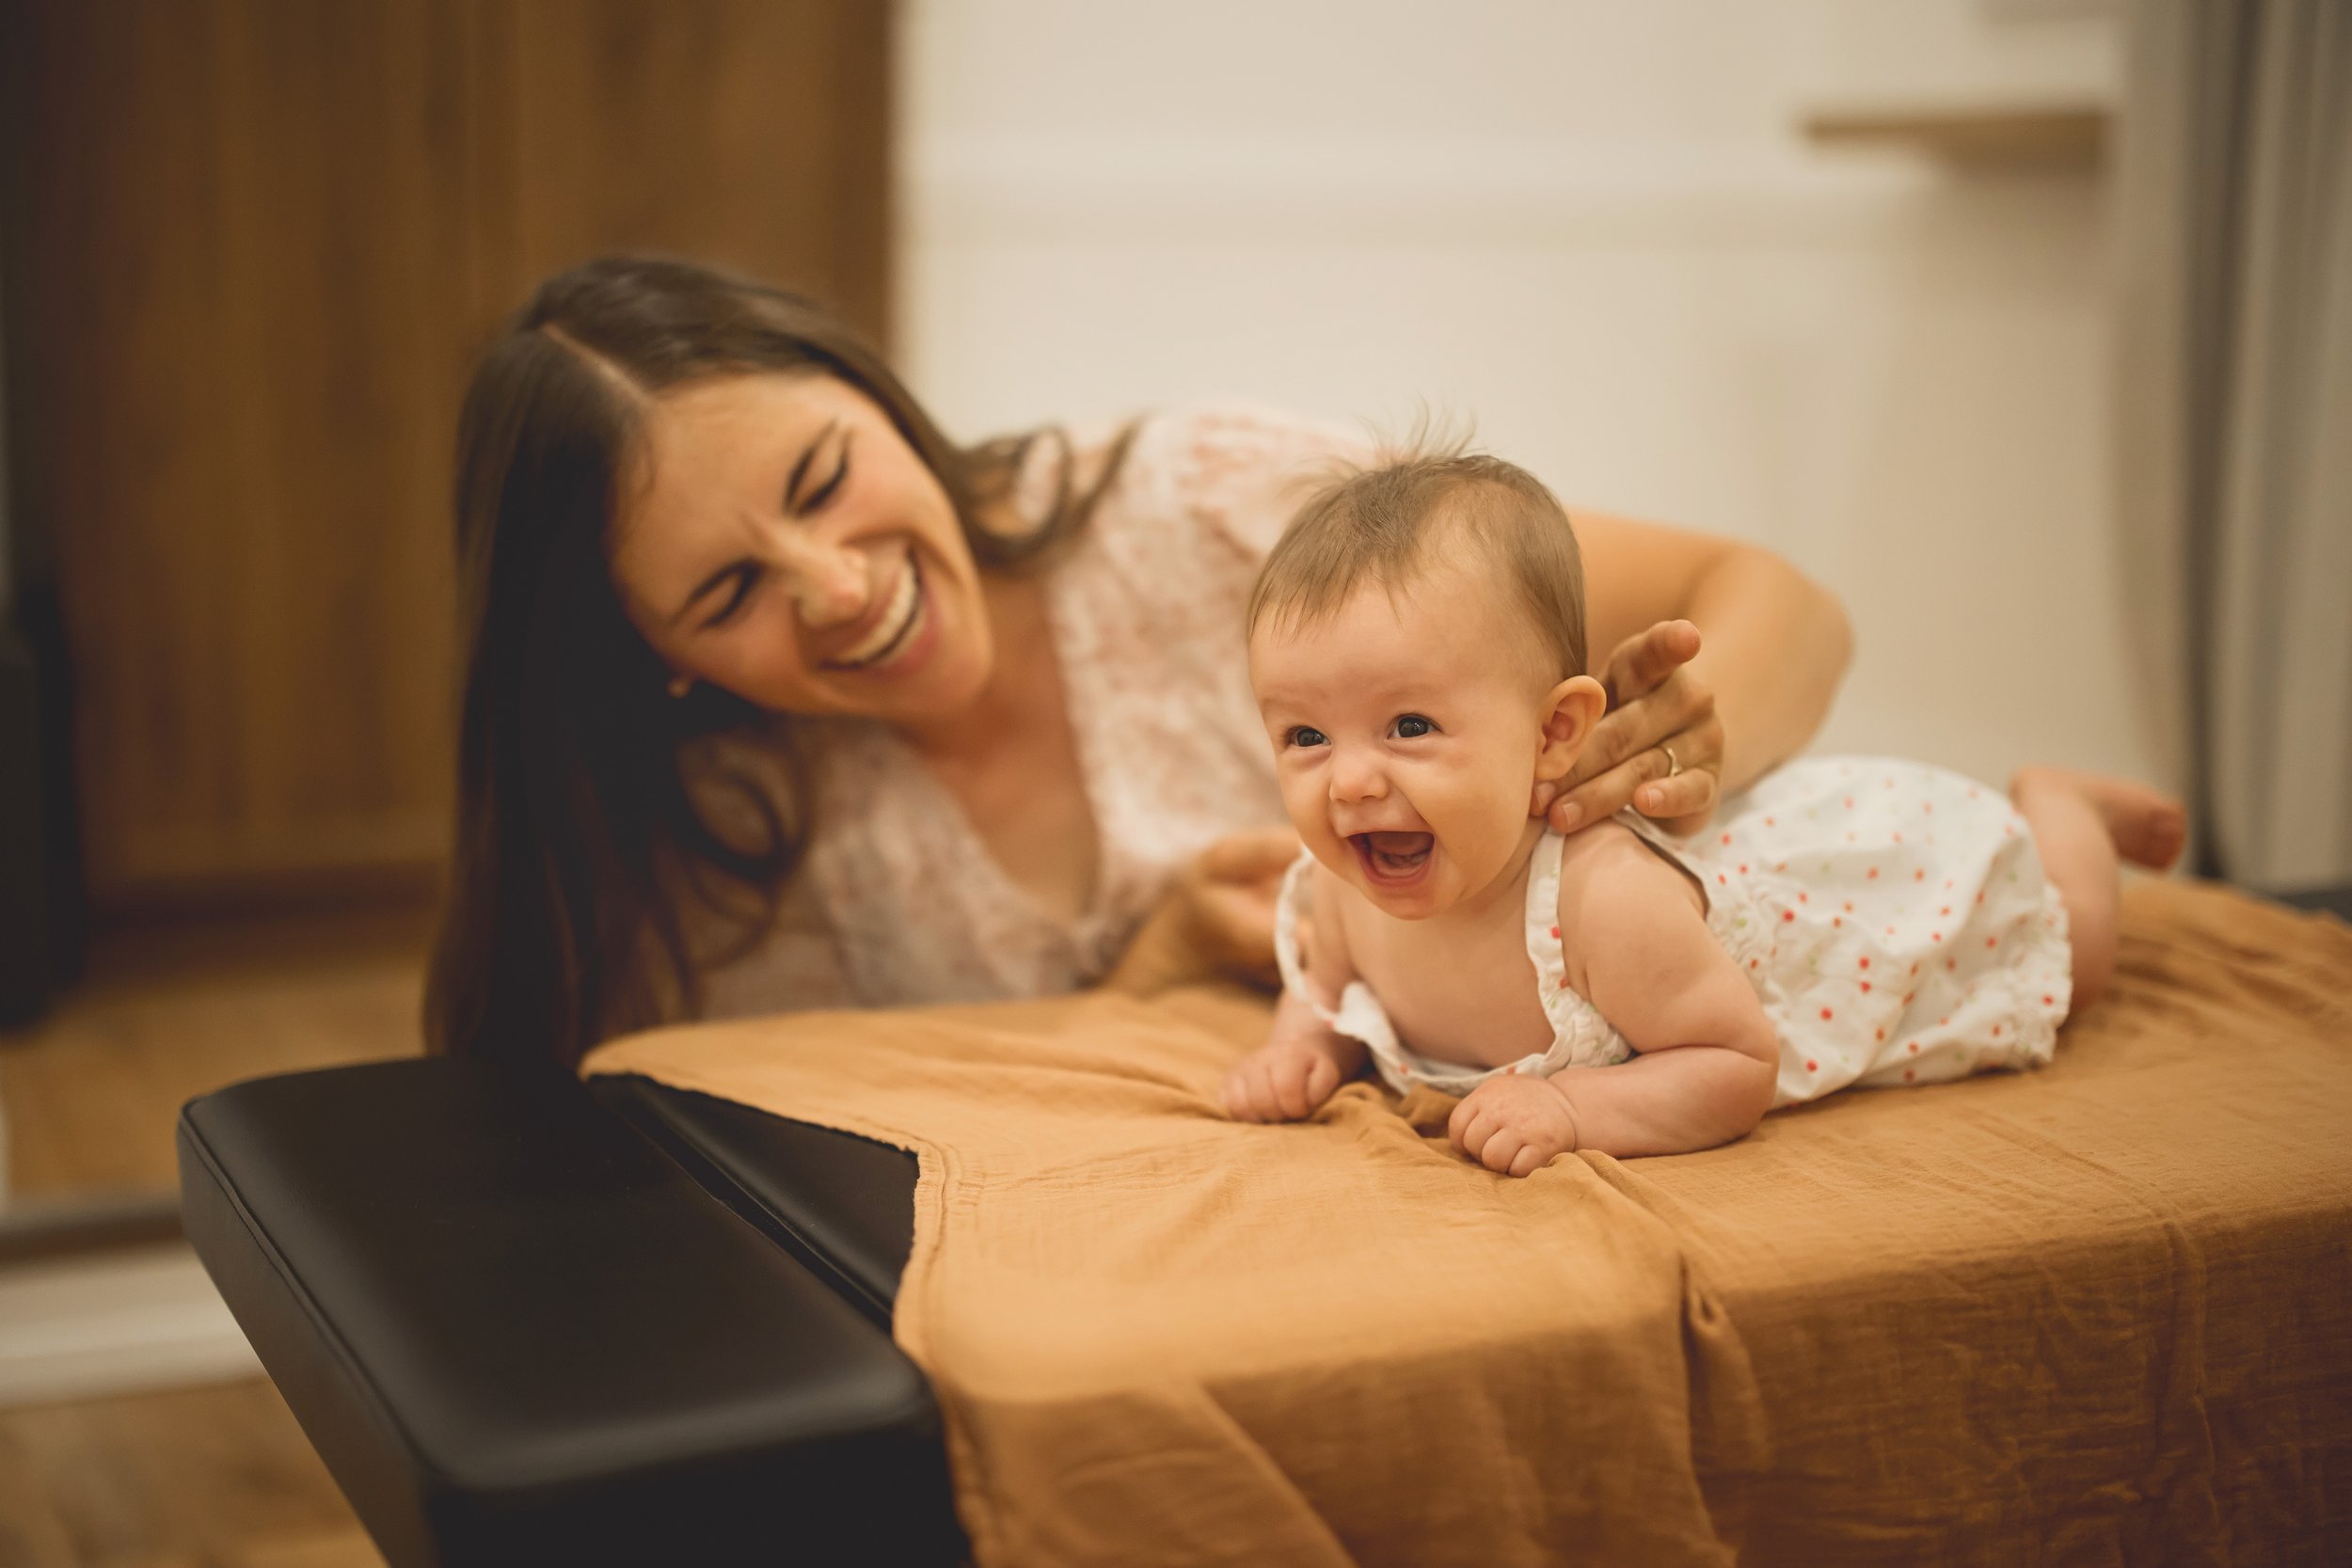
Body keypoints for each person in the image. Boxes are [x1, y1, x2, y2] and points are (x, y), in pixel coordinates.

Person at [426, 255, 1855, 1068]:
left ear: (873, 393)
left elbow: (1778, 596)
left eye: (821, 479)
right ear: (661, 656)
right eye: (730, 590)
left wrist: (1677, 745)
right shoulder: (745, 835)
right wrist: (1154, 970)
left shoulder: (1204, 500)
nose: (841, 589)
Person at [1219, 450, 2187, 1172]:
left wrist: (1573, 1111)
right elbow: (1327, 987)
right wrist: (1299, 1047)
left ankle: (2058, 805)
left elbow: (1732, 1060)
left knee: (2077, 952)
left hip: (1887, 889)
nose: (1345, 782)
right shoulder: (1343, 886)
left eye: (1408, 724)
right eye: (1304, 737)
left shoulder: (1599, 902)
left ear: (1556, 733)